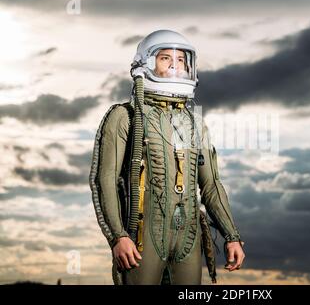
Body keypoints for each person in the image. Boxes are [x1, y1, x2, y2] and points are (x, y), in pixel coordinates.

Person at [89, 29, 245, 285]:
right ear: (146, 63)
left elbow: (211, 186)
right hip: (141, 238)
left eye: (181, 59)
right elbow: (104, 180)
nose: (175, 64)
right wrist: (117, 236)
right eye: (165, 58)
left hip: (188, 240)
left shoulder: (195, 124)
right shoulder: (124, 117)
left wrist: (231, 235)